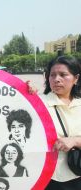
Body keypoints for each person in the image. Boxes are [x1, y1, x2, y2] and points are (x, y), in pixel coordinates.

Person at [39, 56, 81, 189]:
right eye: (52, 75)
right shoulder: (39, 103)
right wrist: (24, 92)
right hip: (49, 178)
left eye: (63, 75)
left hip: (77, 173)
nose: (56, 79)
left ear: (76, 78)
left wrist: (74, 141)